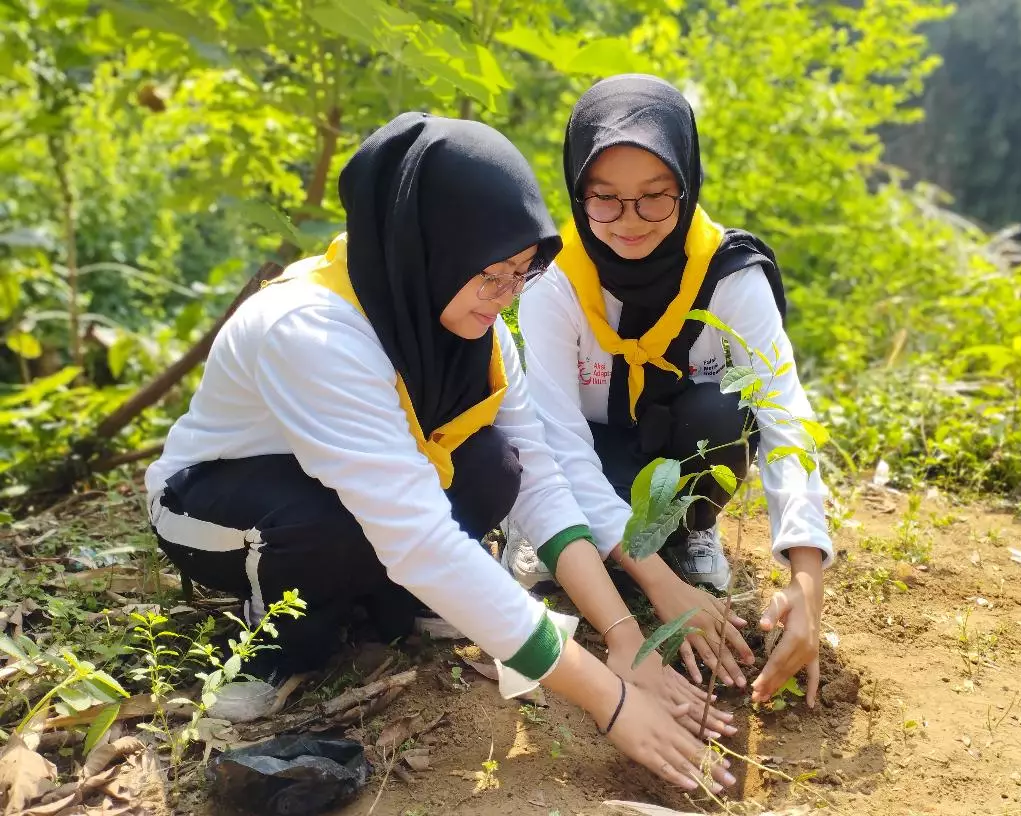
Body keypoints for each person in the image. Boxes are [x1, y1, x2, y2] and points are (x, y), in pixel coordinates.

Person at [144, 112, 734, 792]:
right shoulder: (311, 331)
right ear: (425, 250)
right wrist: (610, 699)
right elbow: (417, 535)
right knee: (327, 525)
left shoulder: (475, 331)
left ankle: (383, 600)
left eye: (520, 273)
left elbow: (538, 480)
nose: (506, 296)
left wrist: (625, 634)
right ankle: (278, 645)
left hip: (363, 501)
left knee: (496, 465)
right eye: (490, 274)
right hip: (221, 508)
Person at [512, 75, 834, 705]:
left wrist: (807, 578)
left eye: (655, 197)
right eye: (604, 199)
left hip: (681, 452)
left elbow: (782, 414)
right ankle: (573, 542)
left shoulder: (728, 274)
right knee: (545, 467)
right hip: (593, 459)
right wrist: (657, 585)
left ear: (687, 186)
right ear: (578, 194)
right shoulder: (555, 281)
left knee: (725, 409)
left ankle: (690, 530)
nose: (629, 223)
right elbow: (556, 439)